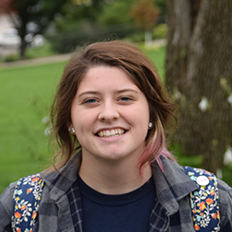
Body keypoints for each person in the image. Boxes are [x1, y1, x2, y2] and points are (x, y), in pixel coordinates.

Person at [0, 40, 232, 232]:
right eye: (91, 100)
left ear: (152, 112)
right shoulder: (23, 208)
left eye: (125, 98)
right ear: (69, 120)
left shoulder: (212, 203)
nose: (108, 114)